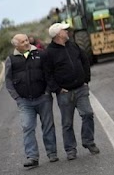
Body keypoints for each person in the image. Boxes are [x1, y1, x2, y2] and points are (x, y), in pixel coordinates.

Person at [42, 22, 99, 160]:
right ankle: (70, 149)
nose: (67, 32)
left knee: (87, 114)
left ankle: (88, 141)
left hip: (81, 89)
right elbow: (47, 74)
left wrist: (86, 79)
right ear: (58, 34)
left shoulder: (73, 45)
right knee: (67, 123)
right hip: (64, 94)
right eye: (64, 30)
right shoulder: (49, 53)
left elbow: (84, 60)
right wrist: (57, 89)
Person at [4, 33, 57, 168]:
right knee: (27, 127)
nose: (26, 43)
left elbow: (48, 73)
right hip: (25, 101)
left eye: (27, 40)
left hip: (43, 98)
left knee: (48, 126)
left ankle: (52, 153)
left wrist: (47, 91)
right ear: (16, 45)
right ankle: (32, 156)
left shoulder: (40, 54)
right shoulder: (11, 59)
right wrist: (17, 97)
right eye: (22, 42)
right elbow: (8, 80)